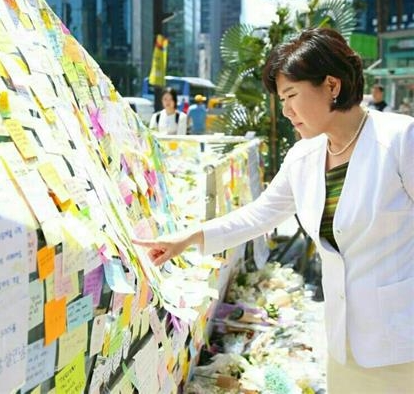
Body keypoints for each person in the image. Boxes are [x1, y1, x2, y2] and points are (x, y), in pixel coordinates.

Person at [135, 28, 414, 393]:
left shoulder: (399, 140)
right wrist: (190, 238)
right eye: (281, 99)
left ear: (332, 85)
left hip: (402, 340)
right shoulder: (305, 155)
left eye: (291, 95)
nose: (285, 111)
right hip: (344, 341)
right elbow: (261, 214)